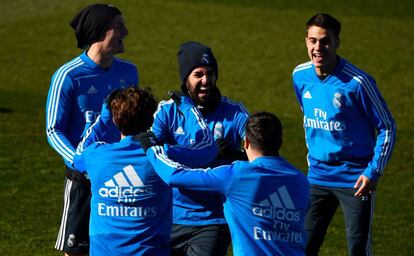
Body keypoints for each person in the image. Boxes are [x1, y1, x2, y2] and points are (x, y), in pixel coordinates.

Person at [292, 13, 396, 255]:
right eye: (313, 40)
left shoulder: (359, 83)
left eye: (325, 41)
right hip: (317, 175)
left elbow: (387, 127)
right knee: (303, 246)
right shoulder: (299, 75)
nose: (318, 48)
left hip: (356, 179)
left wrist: (373, 172)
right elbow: (307, 112)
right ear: (306, 41)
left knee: (357, 248)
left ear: (337, 42)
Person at [138, 112, 310, 256]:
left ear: (247, 143)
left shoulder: (237, 176)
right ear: (280, 142)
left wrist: (152, 149)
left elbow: (175, 176)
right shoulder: (301, 180)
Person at [45, 4, 138, 255]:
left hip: (119, 176)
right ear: (100, 32)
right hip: (82, 179)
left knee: (118, 247)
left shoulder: (129, 72)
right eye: (119, 26)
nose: (126, 32)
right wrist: (80, 160)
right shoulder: (68, 76)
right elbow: (53, 129)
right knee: (76, 251)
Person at [151, 41, 249, 255]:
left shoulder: (235, 113)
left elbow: (261, 158)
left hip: (213, 220)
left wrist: (236, 155)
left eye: (210, 73)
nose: (206, 81)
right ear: (185, 79)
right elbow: (150, 150)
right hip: (170, 217)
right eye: (198, 74)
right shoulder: (168, 111)